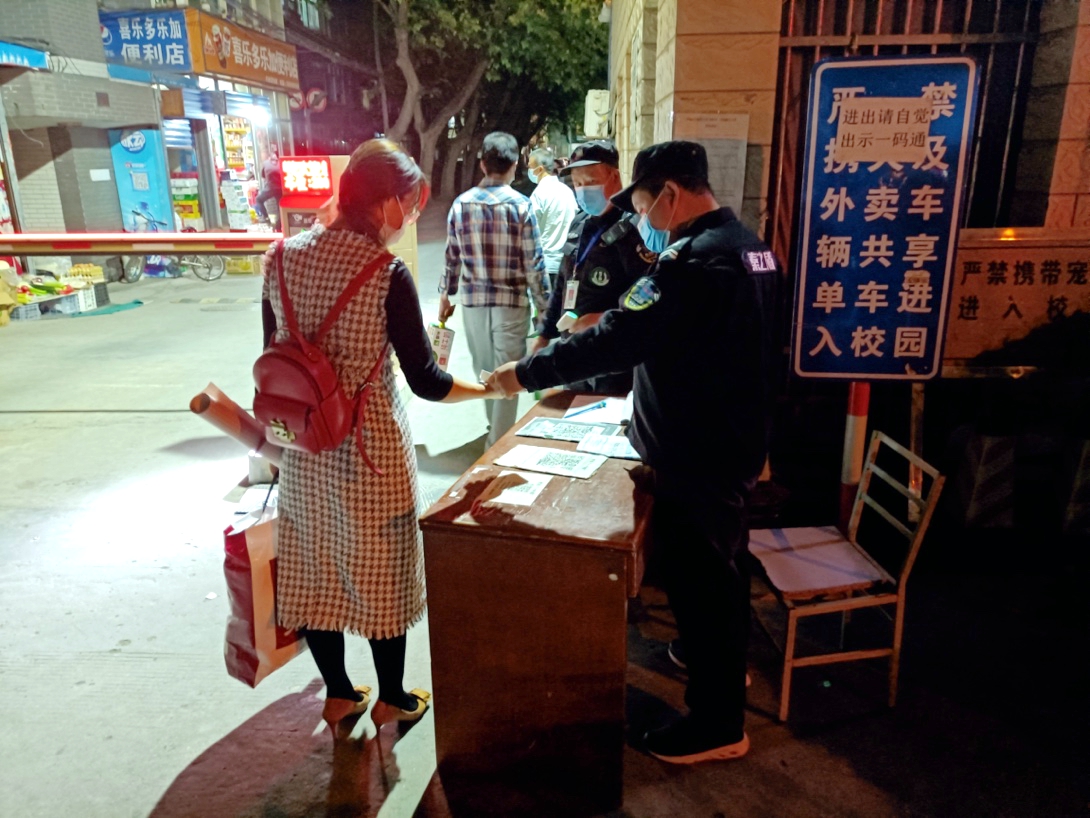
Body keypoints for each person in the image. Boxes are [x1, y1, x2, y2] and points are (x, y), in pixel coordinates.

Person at [488, 141, 780, 764]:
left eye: (645, 204)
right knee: (724, 569)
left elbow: (617, 338)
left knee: (702, 581)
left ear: (669, 193)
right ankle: (716, 662)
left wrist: (525, 373)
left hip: (696, 454)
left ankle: (718, 725)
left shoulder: (691, 264)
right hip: (732, 442)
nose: (642, 217)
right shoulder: (751, 248)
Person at [261, 139, 498, 738]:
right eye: (409, 204)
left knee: (314, 565)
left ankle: (339, 696)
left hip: (304, 443)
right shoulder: (385, 273)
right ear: (388, 203)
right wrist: (487, 390)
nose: (410, 215)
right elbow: (426, 380)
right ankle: (393, 698)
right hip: (370, 448)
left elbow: (272, 354)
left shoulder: (280, 258)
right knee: (381, 573)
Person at [439, 131, 547, 447]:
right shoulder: (522, 207)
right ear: (514, 165)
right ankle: (497, 442)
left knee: (485, 372)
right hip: (510, 304)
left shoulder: (460, 205)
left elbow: (452, 256)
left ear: (483, 164)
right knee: (508, 375)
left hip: (473, 305)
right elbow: (534, 264)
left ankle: (494, 433)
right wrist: (544, 310)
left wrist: (445, 294)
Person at [532, 139, 658, 395]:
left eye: (590, 181)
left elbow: (648, 296)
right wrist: (543, 336)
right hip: (574, 352)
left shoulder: (635, 228)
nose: (583, 190)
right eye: (577, 184)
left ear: (614, 177)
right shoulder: (579, 223)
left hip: (613, 359)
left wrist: (602, 318)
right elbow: (563, 285)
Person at [526, 147, 577, 293]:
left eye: (530, 166)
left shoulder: (539, 195)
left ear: (539, 169)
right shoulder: (567, 191)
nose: (528, 170)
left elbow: (529, 231)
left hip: (546, 265)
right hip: (566, 263)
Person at [255, 148, 283, 226]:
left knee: (258, 200)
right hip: (280, 188)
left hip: (270, 188)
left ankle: (266, 218)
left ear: (269, 157)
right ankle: (280, 223)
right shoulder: (281, 163)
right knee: (280, 205)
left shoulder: (266, 163)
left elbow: (263, 175)